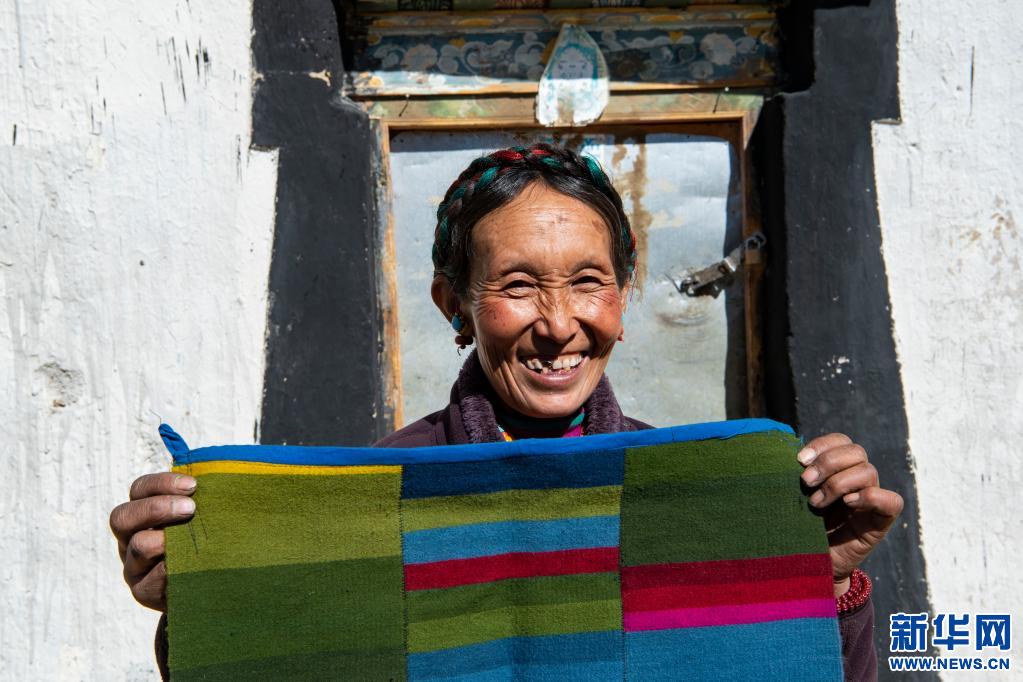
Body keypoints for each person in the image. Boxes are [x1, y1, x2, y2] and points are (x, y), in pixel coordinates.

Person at [110, 143, 902, 680]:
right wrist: (202, 607)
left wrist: (823, 584)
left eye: (587, 281)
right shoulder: (379, 496)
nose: (557, 324)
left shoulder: (689, 498)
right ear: (452, 304)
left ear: (621, 299)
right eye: (517, 286)